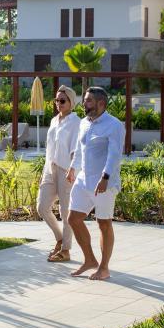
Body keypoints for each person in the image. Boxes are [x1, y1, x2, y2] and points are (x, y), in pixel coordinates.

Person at [66, 86, 125, 280]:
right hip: (84, 180)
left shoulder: (114, 125)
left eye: (89, 101)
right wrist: (72, 168)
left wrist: (105, 177)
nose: (85, 104)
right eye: (84, 100)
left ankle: (104, 268)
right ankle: (90, 260)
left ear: (101, 103)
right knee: (73, 219)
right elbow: (79, 149)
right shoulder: (84, 122)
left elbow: (114, 154)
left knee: (104, 223)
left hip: (104, 182)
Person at [37, 84, 80, 262]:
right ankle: (60, 238)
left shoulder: (76, 122)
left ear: (71, 102)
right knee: (42, 207)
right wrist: (46, 168)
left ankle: (66, 250)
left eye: (62, 100)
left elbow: (77, 149)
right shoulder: (54, 120)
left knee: (65, 211)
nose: (58, 103)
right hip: (50, 168)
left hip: (66, 169)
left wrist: (72, 169)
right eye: (56, 100)